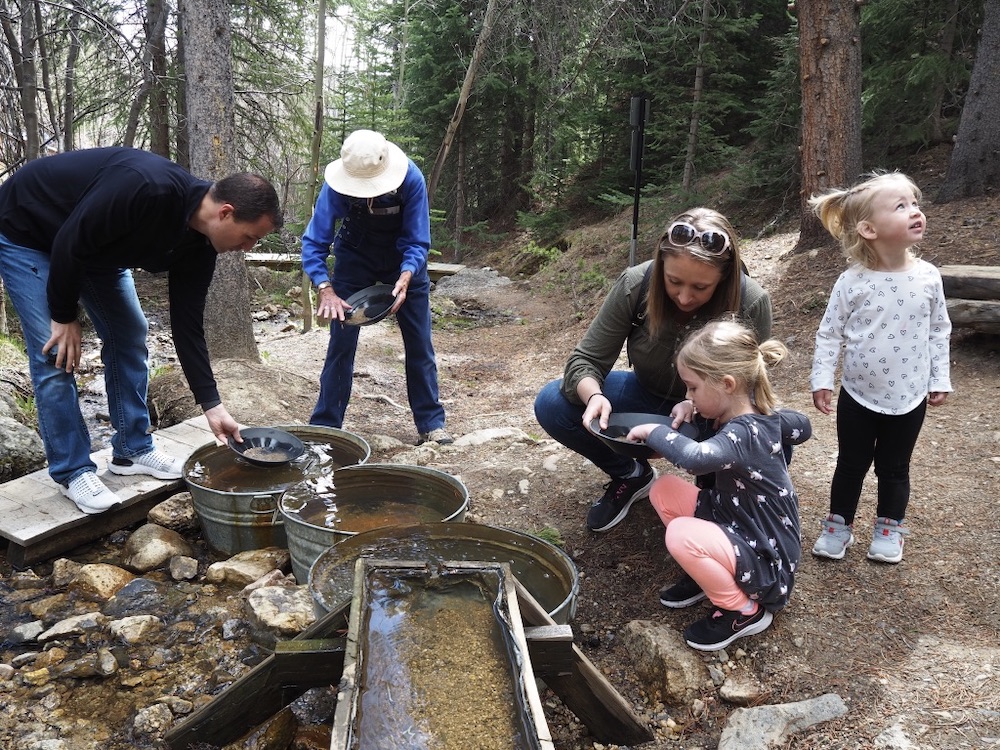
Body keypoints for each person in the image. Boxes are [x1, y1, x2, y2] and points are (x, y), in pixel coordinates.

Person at [0, 147, 283, 515]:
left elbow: (187, 325)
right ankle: (73, 470)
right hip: (29, 232)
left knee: (131, 333)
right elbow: (70, 240)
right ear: (225, 212)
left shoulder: (201, 246)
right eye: (249, 237)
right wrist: (64, 314)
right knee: (55, 353)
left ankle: (132, 449)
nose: (247, 248)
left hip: (97, 251)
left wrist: (212, 406)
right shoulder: (146, 188)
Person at [533, 207, 773, 532]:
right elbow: (585, 361)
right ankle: (631, 475)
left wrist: (700, 403)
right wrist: (594, 397)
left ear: (724, 277)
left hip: (710, 413)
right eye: (674, 281)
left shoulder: (750, 301)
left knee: (770, 443)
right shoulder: (636, 284)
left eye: (701, 288)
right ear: (661, 264)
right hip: (644, 395)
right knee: (552, 403)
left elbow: (752, 389)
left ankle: (723, 511)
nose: (685, 297)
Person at [626, 319, 812, 651]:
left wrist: (655, 432)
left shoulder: (744, 432)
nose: (688, 395)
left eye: (692, 388)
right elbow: (804, 427)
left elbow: (696, 459)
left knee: (680, 534)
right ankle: (709, 574)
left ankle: (743, 610)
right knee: (664, 489)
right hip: (738, 520)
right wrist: (693, 407)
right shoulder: (746, 418)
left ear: (726, 384)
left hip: (766, 558)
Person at [809, 171, 952, 564]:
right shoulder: (852, 280)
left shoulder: (928, 277)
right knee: (851, 464)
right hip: (857, 394)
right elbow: (829, 334)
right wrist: (822, 379)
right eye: (901, 206)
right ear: (868, 229)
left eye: (916, 203)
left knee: (894, 467)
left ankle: (889, 526)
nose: (915, 212)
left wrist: (940, 377)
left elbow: (939, 330)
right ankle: (839, 524)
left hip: (909, 395)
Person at [301, 129, 451, 446]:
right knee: (340, 345)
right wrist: (324, 286)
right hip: (354, 257)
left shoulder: (411, 178)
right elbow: (314, 242)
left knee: (419, 343)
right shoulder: (336, 186)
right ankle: (326, 427)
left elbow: (417, 239)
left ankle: (431, 424)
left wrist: (408, 273)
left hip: (404, 260)